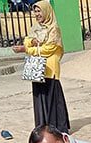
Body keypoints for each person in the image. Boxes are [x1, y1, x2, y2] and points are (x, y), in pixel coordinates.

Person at [12, 0, 69, 132]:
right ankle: (43, 127)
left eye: (40, 11)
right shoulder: (36, 27)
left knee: (51, 97)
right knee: (40, 97)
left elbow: (49, 48)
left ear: (47, 11)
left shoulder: (54, 29)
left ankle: (57, 128)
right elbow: (27, 39)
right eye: (35, 11)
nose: (37, 14)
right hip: (37, 68)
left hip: (50, 68)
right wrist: (32, 41)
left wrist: (27, 49)